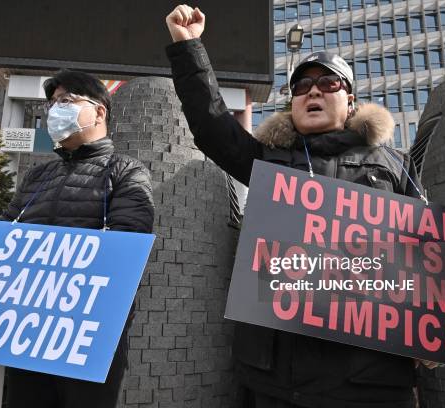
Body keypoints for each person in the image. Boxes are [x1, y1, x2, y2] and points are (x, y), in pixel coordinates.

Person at [165, 5, 430, 408]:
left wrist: (434, 331)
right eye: (302, 87)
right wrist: (189, 47)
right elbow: (211, 123)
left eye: (328, 82)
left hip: (372, 379)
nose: (313, 91)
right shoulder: (268, 161)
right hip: (276, 380)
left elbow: (427, 251)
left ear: (351, 100)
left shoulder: (396, 165)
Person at [1, 70, 154, 407]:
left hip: (90, 339)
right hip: (25, 334)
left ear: (99, 111)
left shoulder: (126, 171)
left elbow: (127, 247)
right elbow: (2, 238)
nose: (54, 111)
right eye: (52, 103)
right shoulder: (36, 176)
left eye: (66, 101)